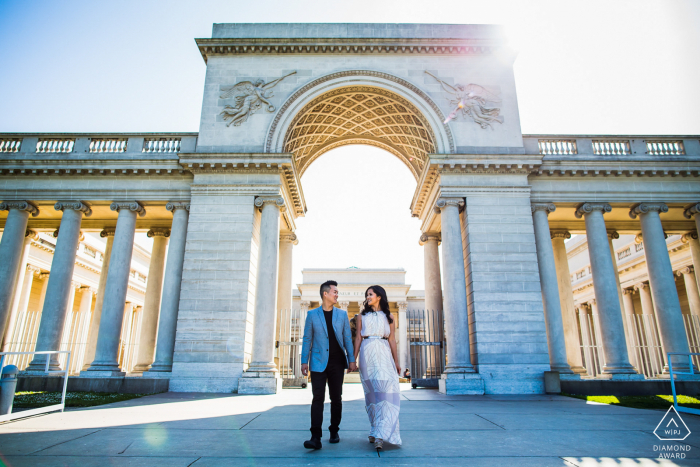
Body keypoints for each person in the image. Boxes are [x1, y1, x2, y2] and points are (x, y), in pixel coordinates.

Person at [300, 280, 357, 450]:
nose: (337, 294)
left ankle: (334, 431)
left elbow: (347, 338)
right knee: (317, 398)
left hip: (337, 362)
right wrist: (304, 360)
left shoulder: (342, 315)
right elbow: (307, 339)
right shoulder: (312, 315)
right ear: (325, 294)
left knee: (336, 399)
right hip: (317, 363)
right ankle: (315, 437)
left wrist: (352, 359)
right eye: (335, 292)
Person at [353, 285, 402, 450]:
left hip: (384, 354)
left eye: (371, 294)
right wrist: (353, 360)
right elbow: (358, 339)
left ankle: (382, 433)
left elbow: (393, 340)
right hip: (367, 354)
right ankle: (375, 429)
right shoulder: (361, 317)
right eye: (367, 295)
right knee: (371, 395)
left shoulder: (390, 317)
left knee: (386, 393)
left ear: (379, 296)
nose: (368, 297)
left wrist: (396, 362)